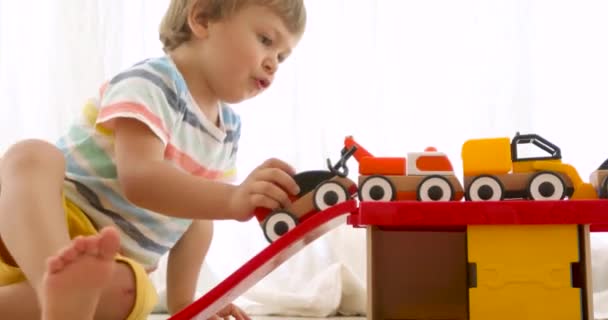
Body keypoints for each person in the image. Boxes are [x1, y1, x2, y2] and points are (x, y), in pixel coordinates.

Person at [0, 0, 306, 319]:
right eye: (266, 40)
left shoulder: (228, 131)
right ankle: (55, 282)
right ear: (202, 19)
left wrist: (186, 303)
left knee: (130, 289)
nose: (273, 63)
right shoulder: (151, 83)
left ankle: (62, 304)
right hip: (39, 229)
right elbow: (141, 178)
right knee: (33, 155)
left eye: (282, 57)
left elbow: (197, 219)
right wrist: (232, 199)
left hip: (109, 268)